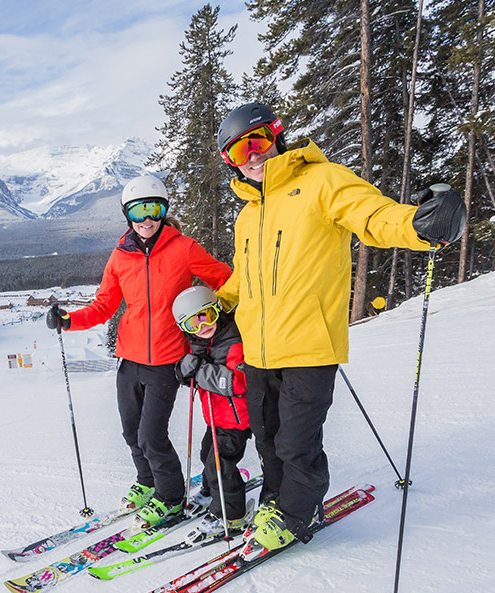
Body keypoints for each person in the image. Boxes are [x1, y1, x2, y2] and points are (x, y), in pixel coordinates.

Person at [215, 101, 466, 551]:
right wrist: (220, 303)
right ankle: (276, 499)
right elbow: (242, 273)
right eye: (238, 152)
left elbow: (372, 215)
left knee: (296, 444)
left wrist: (418, 225)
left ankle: (297, 513)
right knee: (268, 439)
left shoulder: (322, 181)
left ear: (277, 136)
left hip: (310, 345)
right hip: (258, 351)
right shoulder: (247, 214)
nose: (251, 156)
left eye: (256, 142)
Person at [46, 174, 231, 525]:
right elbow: (104, 305)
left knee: (151, 435)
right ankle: (147, 482)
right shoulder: (120, 257)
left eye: (155, 208)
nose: (147, 218)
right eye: (138, 209)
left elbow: (224, 280)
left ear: (164, 211)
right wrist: (70, 321)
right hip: (129, 358)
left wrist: (218, 324)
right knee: (132, 431)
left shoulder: (184, 249)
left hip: (167, 359)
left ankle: (171, 497)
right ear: (127, 213)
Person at [172, 286, 252, 542]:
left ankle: (231, 514)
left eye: (206, 315)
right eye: (193, 322)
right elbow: (193, 375)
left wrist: (199, 370)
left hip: (236, 421)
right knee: (206, 454)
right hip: (216, 418)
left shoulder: (234, 341)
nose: (203, 325)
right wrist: (185, 370)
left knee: (220, 464)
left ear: (217, 310)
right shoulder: (201, 343)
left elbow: (235, 383)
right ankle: (210, 491)